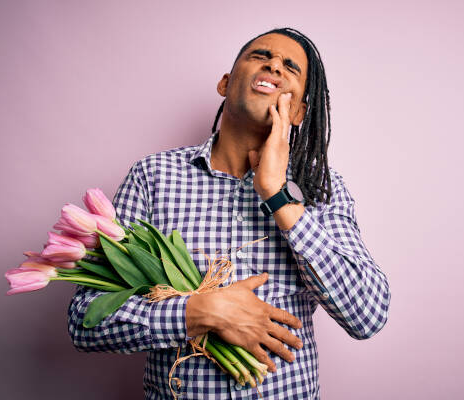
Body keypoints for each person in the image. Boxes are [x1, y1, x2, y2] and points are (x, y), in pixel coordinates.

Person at [68, 27, 391, 399]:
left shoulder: (320, 189)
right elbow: (86, 320)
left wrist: (278, 194)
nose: (273, 64)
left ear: (299, 111)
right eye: (260, 56)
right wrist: (199, 312)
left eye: (290, 67)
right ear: (225, 83)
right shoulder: (153, 177)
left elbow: (367, 314)